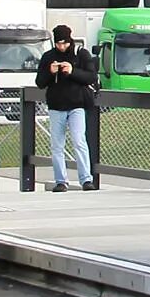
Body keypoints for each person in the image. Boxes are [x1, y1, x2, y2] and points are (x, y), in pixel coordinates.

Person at [35, 24, 97, 192]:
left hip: (77, 105)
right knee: (57, 145)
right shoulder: (48, 56)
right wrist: (50, 71)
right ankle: (61, 181)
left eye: (64, 43)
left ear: (70, 40)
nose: (62, 47)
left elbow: (91, 76)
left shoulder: (81, 54)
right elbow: (40, 82)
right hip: (56, 106)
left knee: (79, 141)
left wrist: (72, 71)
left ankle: (86, 179)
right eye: (58, 43)